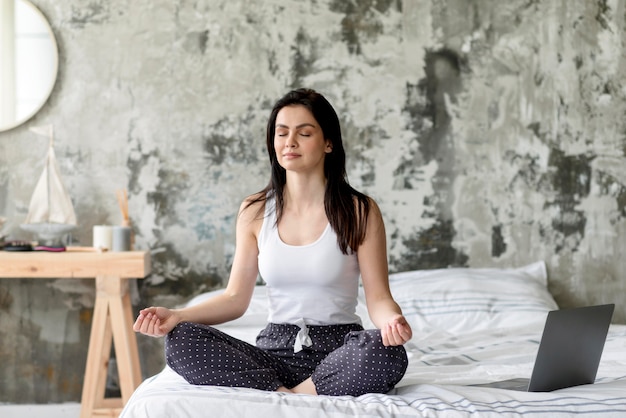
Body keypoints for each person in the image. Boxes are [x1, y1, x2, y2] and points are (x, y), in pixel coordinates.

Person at [133, 88, 412, 396]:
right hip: (273, 354)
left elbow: (378, 299)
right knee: (181, 338)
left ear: (328, 143)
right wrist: (178, 315)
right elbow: (235, 298)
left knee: (387, 352)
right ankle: (292, 392)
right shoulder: (254, 210)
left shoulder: (359, 210)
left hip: (340, 350)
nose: (289, 142)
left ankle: (295, 396)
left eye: (304, 133)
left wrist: (392, 321)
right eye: (282, 133)